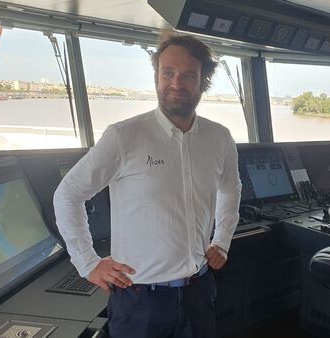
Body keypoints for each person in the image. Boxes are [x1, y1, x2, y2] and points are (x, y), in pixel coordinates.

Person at [53, 32, 242, 338]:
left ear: (203, 82)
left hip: (199, 290)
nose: (176, 83)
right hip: (141, 300)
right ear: (156, 75)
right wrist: (87, 263)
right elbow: (68, 195)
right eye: (168, 73)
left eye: (188, 75)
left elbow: (231, 189)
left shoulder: (219, 137)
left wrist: (222, 240)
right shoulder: (123, 137)